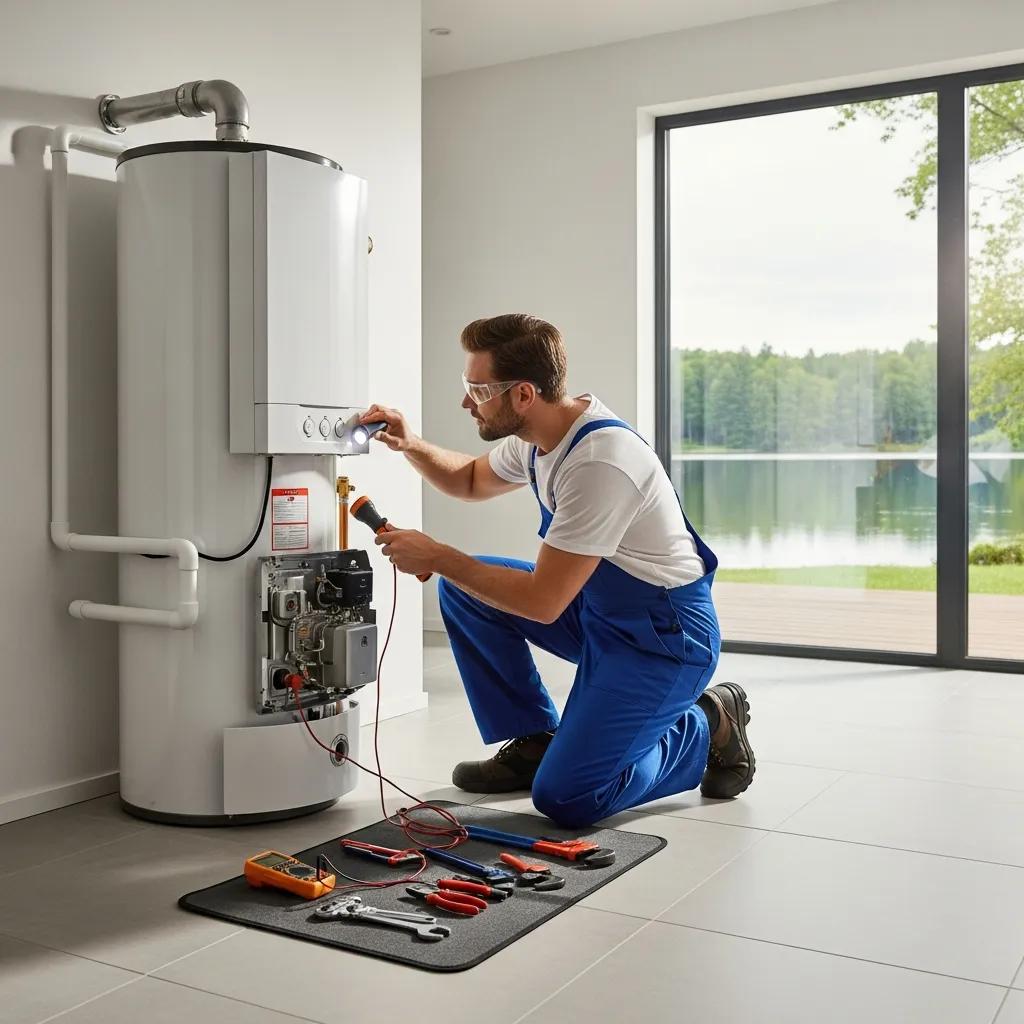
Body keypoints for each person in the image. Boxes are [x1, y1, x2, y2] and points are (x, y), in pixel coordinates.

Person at [359, 314, 755, 828]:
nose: (465, 402)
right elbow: (471, 479)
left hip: (662, 638)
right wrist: (410, 443)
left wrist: (439, 558)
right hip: (597, 612)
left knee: (569, 798)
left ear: (523, 394)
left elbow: (543, 602)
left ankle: (707, 721)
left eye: (476, 389)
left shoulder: (600, 463)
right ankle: (535, 740)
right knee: (465, 591)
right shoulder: (540, 438)